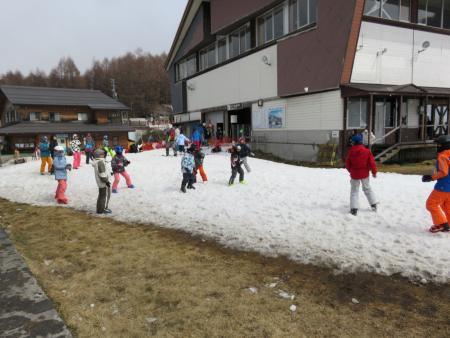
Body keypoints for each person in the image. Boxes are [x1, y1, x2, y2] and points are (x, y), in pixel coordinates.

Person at [422, 135, 450, 233]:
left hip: (443, 186)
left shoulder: (442, 156)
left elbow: (444, 172)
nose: (437, 146)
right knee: (446, 205)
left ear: (444, 145)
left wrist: (430, 177)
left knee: (431, 204)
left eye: (439, 144)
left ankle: (441, 224)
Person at [345, 134, 378, 216]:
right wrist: (374, 172)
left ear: (354, 142)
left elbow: (347, 164)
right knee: (367, 189)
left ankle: (354, 209)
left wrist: (351, 171)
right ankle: (373, 204)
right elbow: (372, 163)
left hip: (354, 175)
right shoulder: (367, 151)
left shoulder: (351, 152)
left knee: (354, 191)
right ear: (361, 142)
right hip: (364, 174)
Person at [92, 148, 112, 214]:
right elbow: (102, 174)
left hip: (100, 182)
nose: (104, 155)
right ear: (99, 155)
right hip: (103, 183)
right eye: (102, 154)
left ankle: (100, 209)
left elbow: (104, 171)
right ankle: (101, 210)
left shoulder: (98, 161)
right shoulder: (100, 162)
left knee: (101, 195)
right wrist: (106, 181)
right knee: (103, 196)